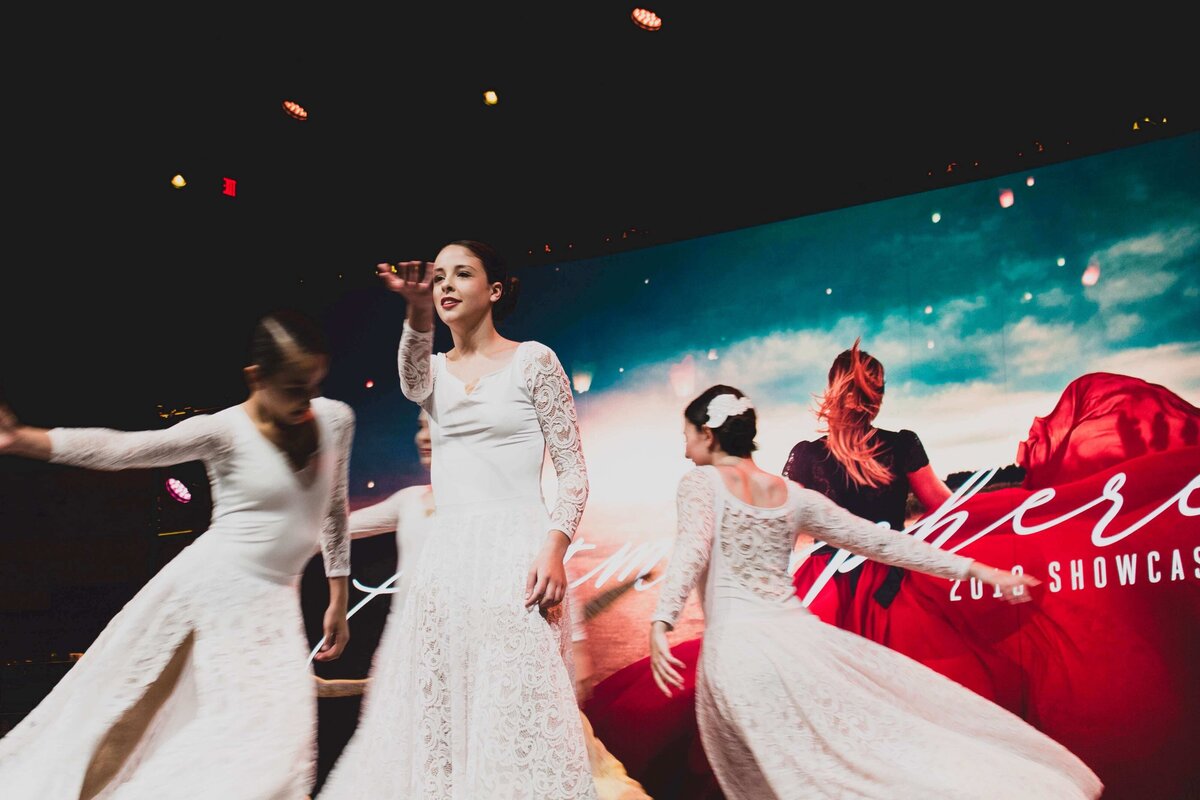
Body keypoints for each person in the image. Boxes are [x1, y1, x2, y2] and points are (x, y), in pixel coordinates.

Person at [647, 384, 1103, 799]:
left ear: (709, 435)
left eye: (687, 435)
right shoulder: (792, 495)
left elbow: (690, 552)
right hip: (802, 647)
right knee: (843, 763)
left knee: (790, 779)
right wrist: (981, 571)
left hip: (739, 653)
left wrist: (661, 620)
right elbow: (885, 543)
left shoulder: (699, 483)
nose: (685, 450)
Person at [0, 308, 355, 799]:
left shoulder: (337, 418)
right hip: (208, 590)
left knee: (275, 744)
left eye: (314, 384)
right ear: (255, 378)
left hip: (273, 607)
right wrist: (23, 440)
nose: (307, 400)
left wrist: (338, 592)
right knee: (135, 711)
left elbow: (333, 508)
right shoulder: (224, 431)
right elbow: (125, 449)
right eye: (294, 387)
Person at [318, 240, 597, 798]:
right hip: (447, 564)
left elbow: (573, 473)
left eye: (461, 274)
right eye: (439, 276)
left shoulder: (534, 360)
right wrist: (416, 309)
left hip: (517, 556)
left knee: (515, 714)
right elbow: (409, 378)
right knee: (449, 717)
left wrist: (553, 546)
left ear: (493, 291)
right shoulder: (431, 373)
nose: (446, 285)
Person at [315, 410, 649, 800]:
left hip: (479, 657)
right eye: (420, 427)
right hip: (414, 661)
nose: (424, 436)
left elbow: (545, 569)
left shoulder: (495, 508)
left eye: (434, 426)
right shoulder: (409, 502)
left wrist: (573, 643)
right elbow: (337, 528)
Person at [784, 338, 954, 630]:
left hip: (829, 585)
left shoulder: (808, 455)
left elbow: (780, 528)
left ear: (833, 390)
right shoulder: (900, 445)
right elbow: (948, 510)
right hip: (890, 583)